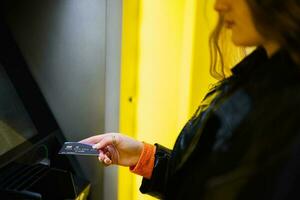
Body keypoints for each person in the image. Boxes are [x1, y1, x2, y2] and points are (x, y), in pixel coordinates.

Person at [80, 0, 300, 199]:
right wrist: (144, 156)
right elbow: (209, 178)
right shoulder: (262, 75)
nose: (219, 5)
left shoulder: (287, 104)